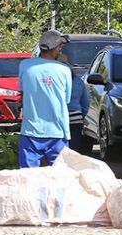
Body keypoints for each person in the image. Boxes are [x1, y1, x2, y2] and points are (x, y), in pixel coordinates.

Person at [18, 30, 72, 167]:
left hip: (30, 130)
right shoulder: (64, 70)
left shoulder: (24, 65)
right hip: (57, 131)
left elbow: (22, 93)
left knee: (27, 176)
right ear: (56, 49)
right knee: (60, 176)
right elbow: (66, 99)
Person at [59, 53, 90, 152]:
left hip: (57, 118)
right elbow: (85, 103)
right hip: (75, 117)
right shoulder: (78, 81)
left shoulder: (53, 81)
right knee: (74, 148)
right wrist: (81, 115)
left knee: (58, 149)